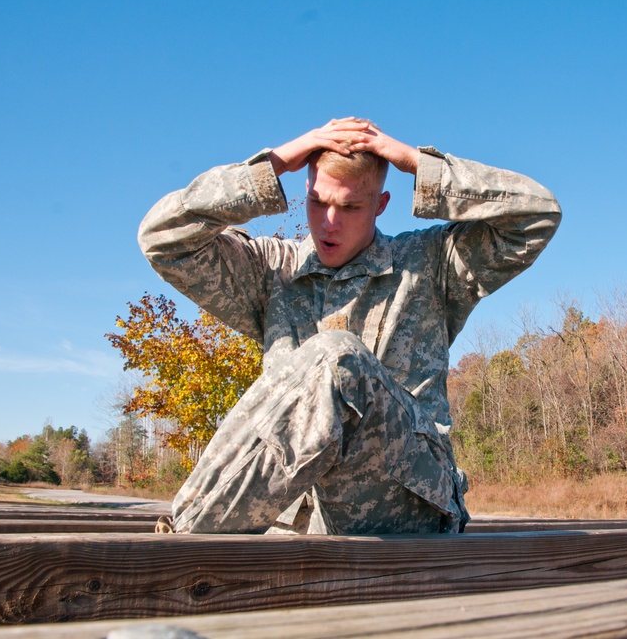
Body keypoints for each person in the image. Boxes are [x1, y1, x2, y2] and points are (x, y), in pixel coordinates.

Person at [139, 118, 561, 534]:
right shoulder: (272, 271)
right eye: (318, 202)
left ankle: (182, 539)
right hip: (296, 518)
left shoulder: (429, 264)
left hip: (411, 502)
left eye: (351, 206)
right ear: (305, 191)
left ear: (380, 205)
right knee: (330, 356)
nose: (329, 223)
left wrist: (417, 163)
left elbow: (537, 214)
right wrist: (274, 164)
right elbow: (162, 238)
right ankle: (190, 539)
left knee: (336, 355)